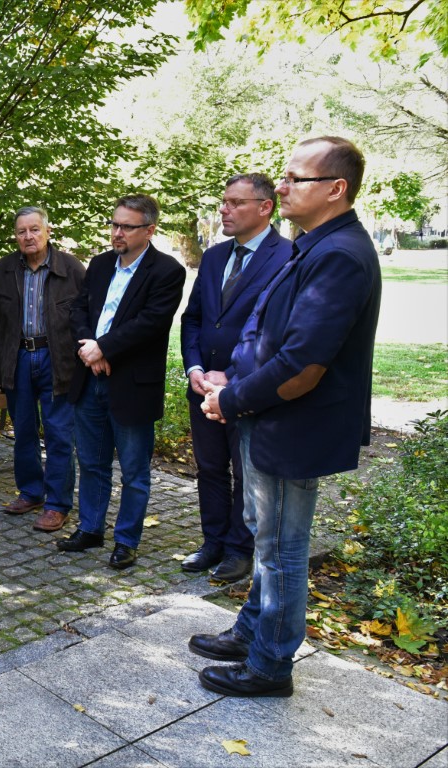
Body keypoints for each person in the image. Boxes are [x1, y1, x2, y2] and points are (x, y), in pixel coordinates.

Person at [193, 137, 381, 698]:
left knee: (281, 551)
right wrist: (231, 380)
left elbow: (303, 365)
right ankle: (252, 632)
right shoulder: (314, 245)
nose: (281, 187)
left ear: (335, 188)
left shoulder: (339, 255)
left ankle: (270, 665)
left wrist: (230, 399)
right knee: (267, 538)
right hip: (269, 415)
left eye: (296, 178)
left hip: (293, 426)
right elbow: (269, 336)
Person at [59, 194, 185, 569]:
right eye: (114, 224)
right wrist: (90, 348)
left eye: (127, 227)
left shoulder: (167, 271)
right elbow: (78, 309)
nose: (117, 233)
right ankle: (90, 528)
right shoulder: (100, 264)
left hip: (131, 384)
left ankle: (127, 540)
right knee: (91, 462)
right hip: (90, 376)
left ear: (150, 230)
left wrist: (105, 349)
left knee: (134, 471)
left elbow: (151, 323)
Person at [180, 174, 292, 583]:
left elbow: (279, 333)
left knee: (246, 473)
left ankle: (239, 550)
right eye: (223, 202)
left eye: (235, 203)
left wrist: (229, 376)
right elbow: (193, 318)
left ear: (265, 207)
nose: (224, 210)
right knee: (210, 468)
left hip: (248, 389)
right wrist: (194, 368)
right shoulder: (214, 257)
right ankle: (212, 542)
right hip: (202, 387)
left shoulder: (288, 257)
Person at [0, 206, 85, 533]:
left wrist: (83, 362)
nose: (28, 236)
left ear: (48, 231)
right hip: (18, 359)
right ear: (15, 236)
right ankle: (31, 492)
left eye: (34, 229)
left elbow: (87, 318)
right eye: (21, 231)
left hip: (58, 360)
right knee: (24, 431)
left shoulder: (71, 268)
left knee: (59, 434)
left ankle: (57, 504)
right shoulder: (3, 270)